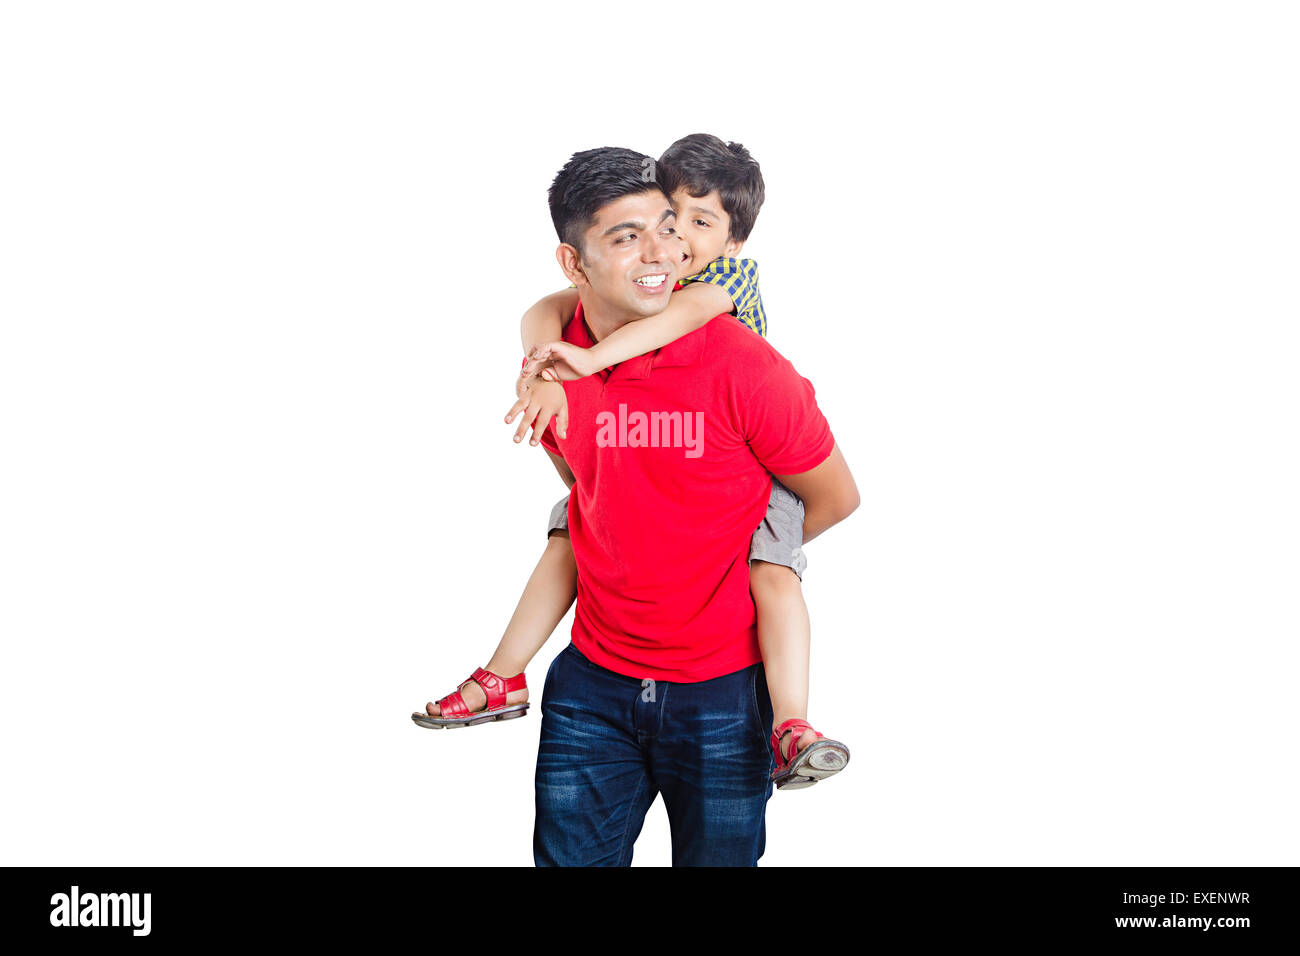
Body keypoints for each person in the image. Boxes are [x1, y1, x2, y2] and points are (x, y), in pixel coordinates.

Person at [426, 146, 858, 865]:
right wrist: (542, 364)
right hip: (591, 689)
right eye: (629, 236)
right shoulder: (556, 362)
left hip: (722, 695)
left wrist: (726, 551)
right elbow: (581, 479)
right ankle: (502, 674)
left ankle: (793, 725)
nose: (667, 248)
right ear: (575, 263)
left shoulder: (743, 362)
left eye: (672, 225)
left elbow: (836, 497)